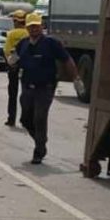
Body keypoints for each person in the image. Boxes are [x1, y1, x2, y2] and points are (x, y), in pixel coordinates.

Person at [16, 13, 79, 164]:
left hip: (45, 88)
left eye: (36, 26)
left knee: (39, 117)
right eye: (31, 27)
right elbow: (15, 58)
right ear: (26, 28)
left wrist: (76, 78)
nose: (34, 29)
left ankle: (39, 149)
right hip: (27, 87)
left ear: (42, 26)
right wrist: (11, 63)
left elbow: (67, 60)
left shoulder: (51, 43)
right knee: (25, 119)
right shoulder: (23, 44)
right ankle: (40, 138)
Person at [2, 10, 28, 126]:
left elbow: (7, 51)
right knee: (26, 94)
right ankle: (25, 119)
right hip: (27, 67)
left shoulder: (11, 34)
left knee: (13, 94)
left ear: (16, 21)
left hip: (13, 66)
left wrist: (10, 63)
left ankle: (11, 119)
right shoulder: (28, 34)